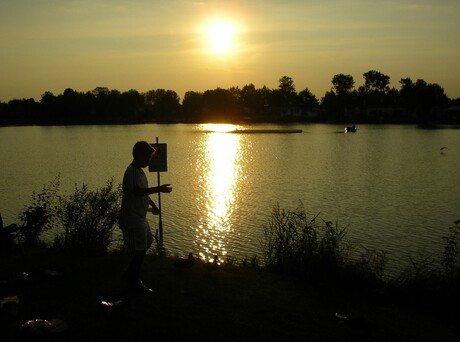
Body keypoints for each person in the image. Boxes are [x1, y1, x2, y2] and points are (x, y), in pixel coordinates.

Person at [119, 141, 172, 293]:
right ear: (139, 155)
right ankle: (133, 281)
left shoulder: (140, 172)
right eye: (148, 157)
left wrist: (153, 205)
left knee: (147, 242)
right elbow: (137, 192)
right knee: (139, 250)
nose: (149, 160)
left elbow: (143, 192)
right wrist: (159, 189)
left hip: (140, 218)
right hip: (131, 219)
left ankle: (129, 274)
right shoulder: (132, 173)